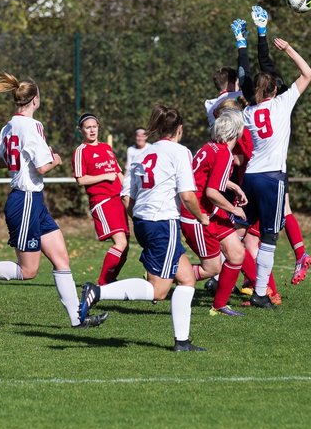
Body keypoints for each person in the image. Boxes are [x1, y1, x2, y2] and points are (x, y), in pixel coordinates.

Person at [0, 72, 106, 329]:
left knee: (61, 258)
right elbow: (42, 167)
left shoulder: (9, 126)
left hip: (33, 201)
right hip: (25, 199)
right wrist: (56, 160)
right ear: (35, 99)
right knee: (28, 271)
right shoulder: (31, 126)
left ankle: (78, 319)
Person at [78, 105, 211, 351]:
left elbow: (127, 196)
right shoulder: (180, 152)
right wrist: (202, 217)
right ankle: (97, 292)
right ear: (179, 130)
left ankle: (182, 341)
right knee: (159, 291)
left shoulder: (143, 154)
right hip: (163, 223)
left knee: (186, 278)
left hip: (143, 221)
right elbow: (188, 195)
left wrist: (139, 217)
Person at [232, 6, 311, 286]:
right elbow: (306, 73)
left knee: (241, 231)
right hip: (272, 175)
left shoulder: (248, 112)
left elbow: (245, 83)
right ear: (275, 89)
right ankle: (262, 288)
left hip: (251, 177)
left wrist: (243, 45)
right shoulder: (281, 103)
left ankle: (236, 270)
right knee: (269, 234)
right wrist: (286, 47)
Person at [181, 107, 249, 317]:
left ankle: (220, 305)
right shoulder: (225, 155)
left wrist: (233, 186)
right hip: (197, 217)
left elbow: (207, 178)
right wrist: (234, 209)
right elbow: (211, 192)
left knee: (237, 253)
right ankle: (163, 276)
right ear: (237, 131)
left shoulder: (211, 147)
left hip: (209, 213)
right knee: (212, 269)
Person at [73, 113, 129, 286]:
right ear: (81, 130)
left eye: (94, 126)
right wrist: (105, 176)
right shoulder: (80, 151)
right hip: (103, 201)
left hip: (118, 199)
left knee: (125, 247)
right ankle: (102, 284)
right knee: (120, 243)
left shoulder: (106, 147)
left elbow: (118, 173)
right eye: (87, 127)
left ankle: (110, 281)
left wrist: (128, 192)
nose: (92, 130)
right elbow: (81, 179)